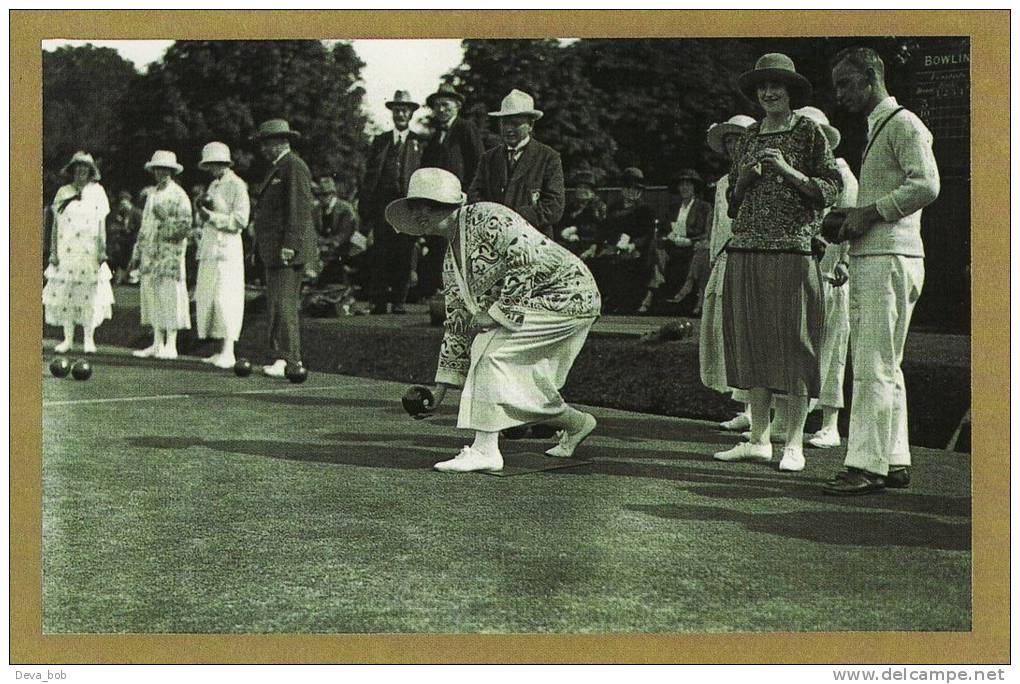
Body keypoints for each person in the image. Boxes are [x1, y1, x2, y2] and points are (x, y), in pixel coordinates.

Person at [385, 168, 602, 473]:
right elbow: (457, 324)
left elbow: (525, 258)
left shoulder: (488, 216)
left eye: (426, 204)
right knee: (517, 381)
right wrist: (439, 391)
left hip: (568, 295)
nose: (418, 213)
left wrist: (496, 313)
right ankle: (577, 424)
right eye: (415, 207)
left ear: (445, 205)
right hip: (538, 303)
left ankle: (485, 449)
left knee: (489, 353)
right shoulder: (450, 262)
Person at [713, 53, 842, 473]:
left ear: (790, 91)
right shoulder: (748, 137)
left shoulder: (808, 132)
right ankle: (757, 439)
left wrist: (786, 170)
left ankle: (793, 444)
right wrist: (745, 181)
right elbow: (733, 204)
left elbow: (830, 189)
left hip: (792, 250)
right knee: (753, 345)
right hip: (747, 248)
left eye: (777, 86)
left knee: (795, 345)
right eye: (762, 87)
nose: (768, 93)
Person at [823, 47, 940, 495]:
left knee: (872, 364)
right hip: (884, 256)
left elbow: (927, 184)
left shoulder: (904, 123)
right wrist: (853, 216)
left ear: (871, 78)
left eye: (846, 83)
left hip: (890, 258)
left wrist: (870, 212)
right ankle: (893, 459)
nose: (841, 94)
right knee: (887, 364)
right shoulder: (880, 128)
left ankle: (865, 466)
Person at [791, 106, 860, 449]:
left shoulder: (843, 175)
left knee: (831, 347)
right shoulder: (799, 178)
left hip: (831, 272)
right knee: (799, 347)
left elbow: (844, 228)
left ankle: (830, 424)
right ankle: (788, 422)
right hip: (801, 272)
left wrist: (844, 262)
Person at [698, 115, 756, 430]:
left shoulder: (759, 175)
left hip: (747, 257)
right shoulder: (722, 182)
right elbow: (720, 225)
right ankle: (744, 408)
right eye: (729, 141)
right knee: (726, 330)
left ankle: (758, 412)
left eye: (739, 140)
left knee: (748, 330)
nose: (734, 146)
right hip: (724, 259)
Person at [251, 119, 317, 377]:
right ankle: (282, 356)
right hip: (275, 250)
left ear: (280, 143)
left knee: (285, 304)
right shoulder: (280, 167)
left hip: (285, 250)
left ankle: (290, 359)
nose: (263, 149)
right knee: (277, 304)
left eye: (266, 143)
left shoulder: (294, 166)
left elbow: (298, 209)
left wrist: (290, 244)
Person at [468, 89, 566, 239]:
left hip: (534, 242)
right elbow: (474, 196)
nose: (508, 129)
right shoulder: (488, 158)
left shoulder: (548, 158)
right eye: (504, 122)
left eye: (515, 123)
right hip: (495, 242)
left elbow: (553, 208)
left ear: (530, 125)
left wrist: (508, 217)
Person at [43, 151, 115, 353]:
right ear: (73, 170)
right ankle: (67, 339)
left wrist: (102, 250)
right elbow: (56, 225)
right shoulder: (63, 192)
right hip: (67, 252)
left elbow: (101, 224)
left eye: (85, 167)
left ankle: (88, 340)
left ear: (91, 171)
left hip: (89, 252)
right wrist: (53, 252)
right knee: (67, 296)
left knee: (88, 295)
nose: (81, 170)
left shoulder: (98, 192)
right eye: (78, 167)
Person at [418, 83, 485, 299]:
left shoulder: (466, 129)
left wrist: (468, 192)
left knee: (459, 246)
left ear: (457, 106)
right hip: (438, 201)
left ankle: (462, 294)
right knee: (440, 246)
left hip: (459, 199)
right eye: (437, 106)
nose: (441, 110)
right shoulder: (435, 135)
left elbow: (479, 163)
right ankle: (444, 294)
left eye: (445, 105)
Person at [361, 90, 425, 314]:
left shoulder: (419, 142)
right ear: (392, 113)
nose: (400, 114)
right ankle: (379, 300)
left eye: (404, 110)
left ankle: (399, 299)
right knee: (380, 251)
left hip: (407, 205)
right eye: (397, 110)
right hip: (383, 205)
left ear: (410, 114)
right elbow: (370, 174)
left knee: (405, 252)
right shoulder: (381, 141)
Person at [129, 150, 193, 359]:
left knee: (170, 296)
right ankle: (157, 342)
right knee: (153, 295)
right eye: (158, 169)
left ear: (172, 171)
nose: (161, 173)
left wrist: (167, 221)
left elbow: (185, 227)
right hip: (151, 253)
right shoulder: (152, 194)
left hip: (169, 255)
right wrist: (137, 252)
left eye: (165, 169)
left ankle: (171, 344)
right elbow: (145, 225)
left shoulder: (179, 195)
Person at [193, 142, 250, 369]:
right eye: (209, 164)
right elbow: (207, 215)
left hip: (228, 248)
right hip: (211, 248)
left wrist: (212, 218)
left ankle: (230, 350)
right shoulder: (213, 185)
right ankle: (221, 349)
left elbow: (241, 220)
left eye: (215, 164)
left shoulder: (237, 185)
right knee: (211, 296)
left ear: (224, 163)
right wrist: (203, 214)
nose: (212, 168)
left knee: (227, 297)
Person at [592, 167, 657, 314]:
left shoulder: (645, 209)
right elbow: (606, 229)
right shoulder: (614, 207)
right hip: (615, 245)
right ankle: (606, 299)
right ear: (623, 189)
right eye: (629, 188)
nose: (632, 192)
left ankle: (625, 302)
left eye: (636, 189)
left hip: (637, 247)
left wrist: (632, 245)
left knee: (626, 262)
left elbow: (648, 234)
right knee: (599, 260)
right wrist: (603, 245)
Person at [656, 169, 712, 310]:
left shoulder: (703, 207)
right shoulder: (673, 208)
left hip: (692, 245)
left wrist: (690, 241)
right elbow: (663, 229)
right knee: (657, 248)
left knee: (699, 253)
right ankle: (659, 288)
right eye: (682, 185)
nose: (684, 188)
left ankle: (687, 293)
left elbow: (707, 232)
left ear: (694, 188)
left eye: (688, 185)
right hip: (673, 245)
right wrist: (670, 236)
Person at [556, 169, 607, 255]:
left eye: (586, 188)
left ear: (593, 192)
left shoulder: (598, 207)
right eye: (579, 187)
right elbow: (560, 226)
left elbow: (600, 231)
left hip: (591, 247)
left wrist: (577, 232)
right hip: (569, 246)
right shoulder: (569, 208)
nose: (582, 190)